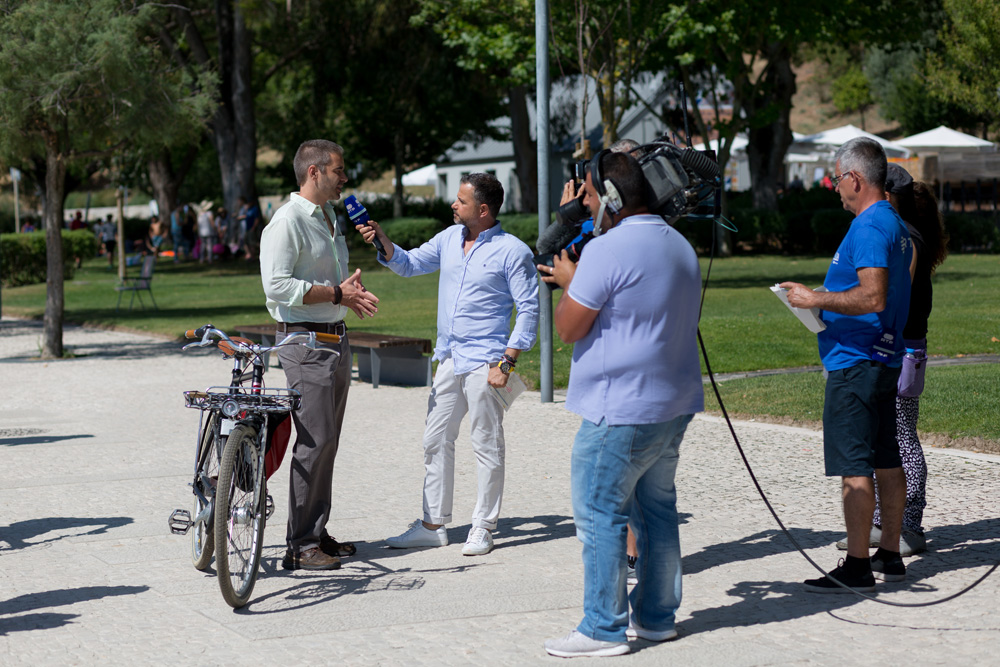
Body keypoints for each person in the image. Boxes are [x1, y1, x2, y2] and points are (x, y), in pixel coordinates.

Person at [538, 151, 704, 657]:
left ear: (611, 197)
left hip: (620, 410)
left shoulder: (607, 251)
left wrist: (570, 283)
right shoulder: (680, 244)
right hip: (672, 404)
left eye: (589, 196)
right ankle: (655, 617)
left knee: (599, 514)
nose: (585, 206)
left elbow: (568, 328)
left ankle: (602, 628)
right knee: (658, 512)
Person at [359, 173, 539, 557]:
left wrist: (507, 363)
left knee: (486, 443)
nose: (453, 205)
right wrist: (383, 241)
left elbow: (529, 309)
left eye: (461, 200)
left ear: (483, 209)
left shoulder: (513, 251)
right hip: (450, 358)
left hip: (487, 362)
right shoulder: (448, 239)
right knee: (435, 440)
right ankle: (432, 526)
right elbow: (409, 264)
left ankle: (483, 526)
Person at [780, 137, 913, 593]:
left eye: (837, 178)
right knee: (886, 457)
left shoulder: (870, 226)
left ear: (855, 178)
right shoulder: (893, 221)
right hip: (884, 357)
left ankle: (857, 565)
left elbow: (873, 296)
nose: (835, 187)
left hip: (857, 363)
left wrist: (814, 299)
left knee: (855, 466)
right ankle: (889, 553)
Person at [259, 139, 380, 571]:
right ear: (314, 172)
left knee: (326, 441)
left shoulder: (329, 217)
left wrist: (347, 294)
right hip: (305, 342)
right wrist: (335, 294)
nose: (344, 178)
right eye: (338, 170)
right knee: (314, 440)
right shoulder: (286, 221)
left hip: (334, 338)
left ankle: (315, 530)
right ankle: (300, 545)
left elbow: (326, 282)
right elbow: (276, 286)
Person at [836, 169, 949, 557]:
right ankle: (882, 523)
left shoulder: (907, 239)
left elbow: (890, 297)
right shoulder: (899, 234)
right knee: (882, 434)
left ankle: (909, 525)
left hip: (903, 350)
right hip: (888, 346)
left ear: (888, 196)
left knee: (901, 434)